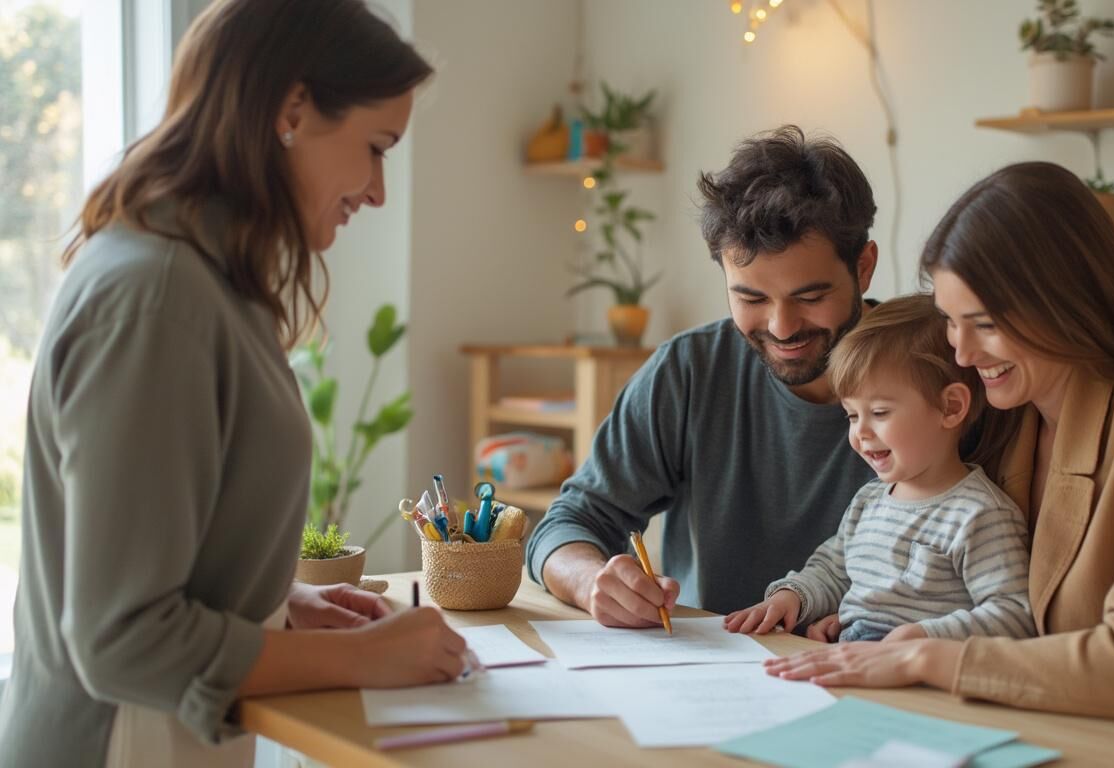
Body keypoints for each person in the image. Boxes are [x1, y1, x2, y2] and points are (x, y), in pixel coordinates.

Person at [0, 2, 470, 766]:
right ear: (291, 109)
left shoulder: (201, 282)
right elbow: (123, 639)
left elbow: (166, 546)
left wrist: (278, 603)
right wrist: (366, 657)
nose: (378, 191)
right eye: (376, 148)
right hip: (118, 742)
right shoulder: (156, 298)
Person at [763, 161, 1114, 747]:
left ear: (1066, 302)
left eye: (984, 325)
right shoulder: (1011, 417)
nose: (962, 352)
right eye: (953, 323)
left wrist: (924, 658)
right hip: (1042, 738)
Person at [525, 125, 889, 623]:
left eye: (810, 297)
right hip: (711, 668)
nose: (782, 328)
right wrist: (593, 582)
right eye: (751, 298)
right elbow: (568, 524)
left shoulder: (936, 370)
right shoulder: (690, 370)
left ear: (864, 268)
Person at [724, 295, 1033, 645]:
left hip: (919, 681)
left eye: (880, 413)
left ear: (951, 406)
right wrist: (791, 597)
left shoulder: (979, 514)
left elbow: (1014, 614)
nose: (861, 433)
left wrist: (921, 636)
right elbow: (833, 570)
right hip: (853, 663)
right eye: (852, 415)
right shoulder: (869, 500)